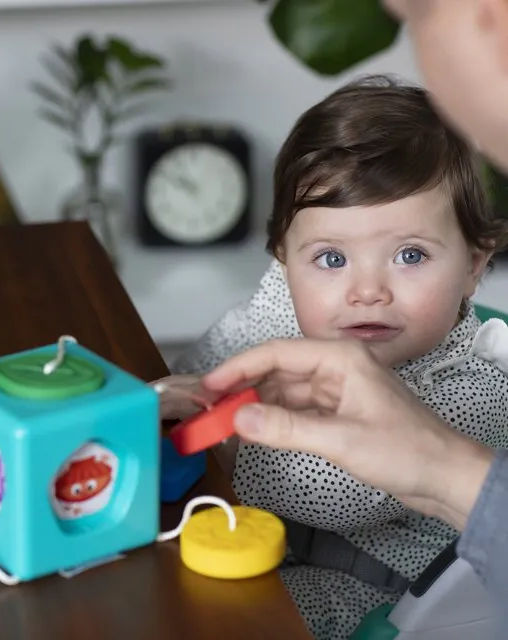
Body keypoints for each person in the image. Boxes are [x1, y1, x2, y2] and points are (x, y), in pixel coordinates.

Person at [187, 0, 508, 635]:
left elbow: (331, 494)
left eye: (410, 255)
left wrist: (213, 428)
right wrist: (183, 394)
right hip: (256, 541)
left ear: (475, 264)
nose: (366, 291)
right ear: (283, 257)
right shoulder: (281, 301)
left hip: (370, 592)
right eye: (330, 258)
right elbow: (209, 358)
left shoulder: (481, 387)